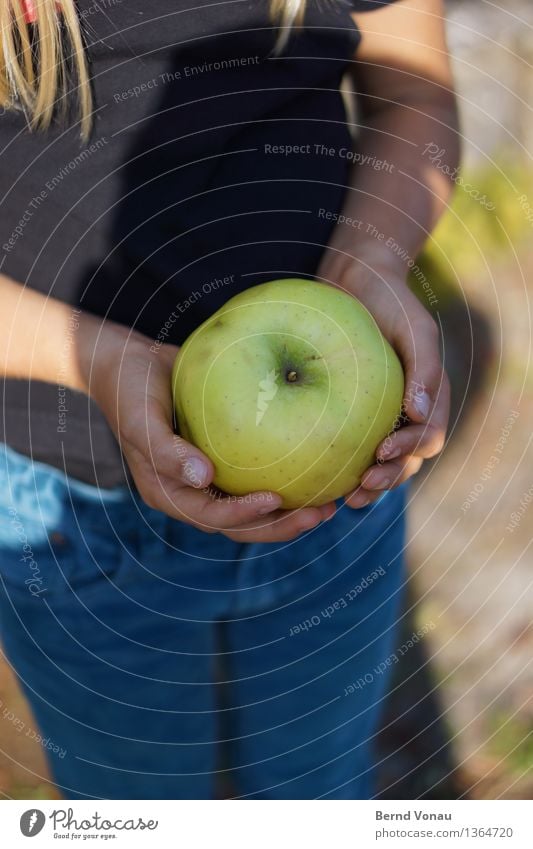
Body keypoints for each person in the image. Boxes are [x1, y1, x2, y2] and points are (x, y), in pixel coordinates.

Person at [0, 0, 457, 799]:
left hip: (341, 481)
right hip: (62, 499)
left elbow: (411, 87)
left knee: (317, 786)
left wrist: (371, 262)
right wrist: (96, 360)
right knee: (135, 802)